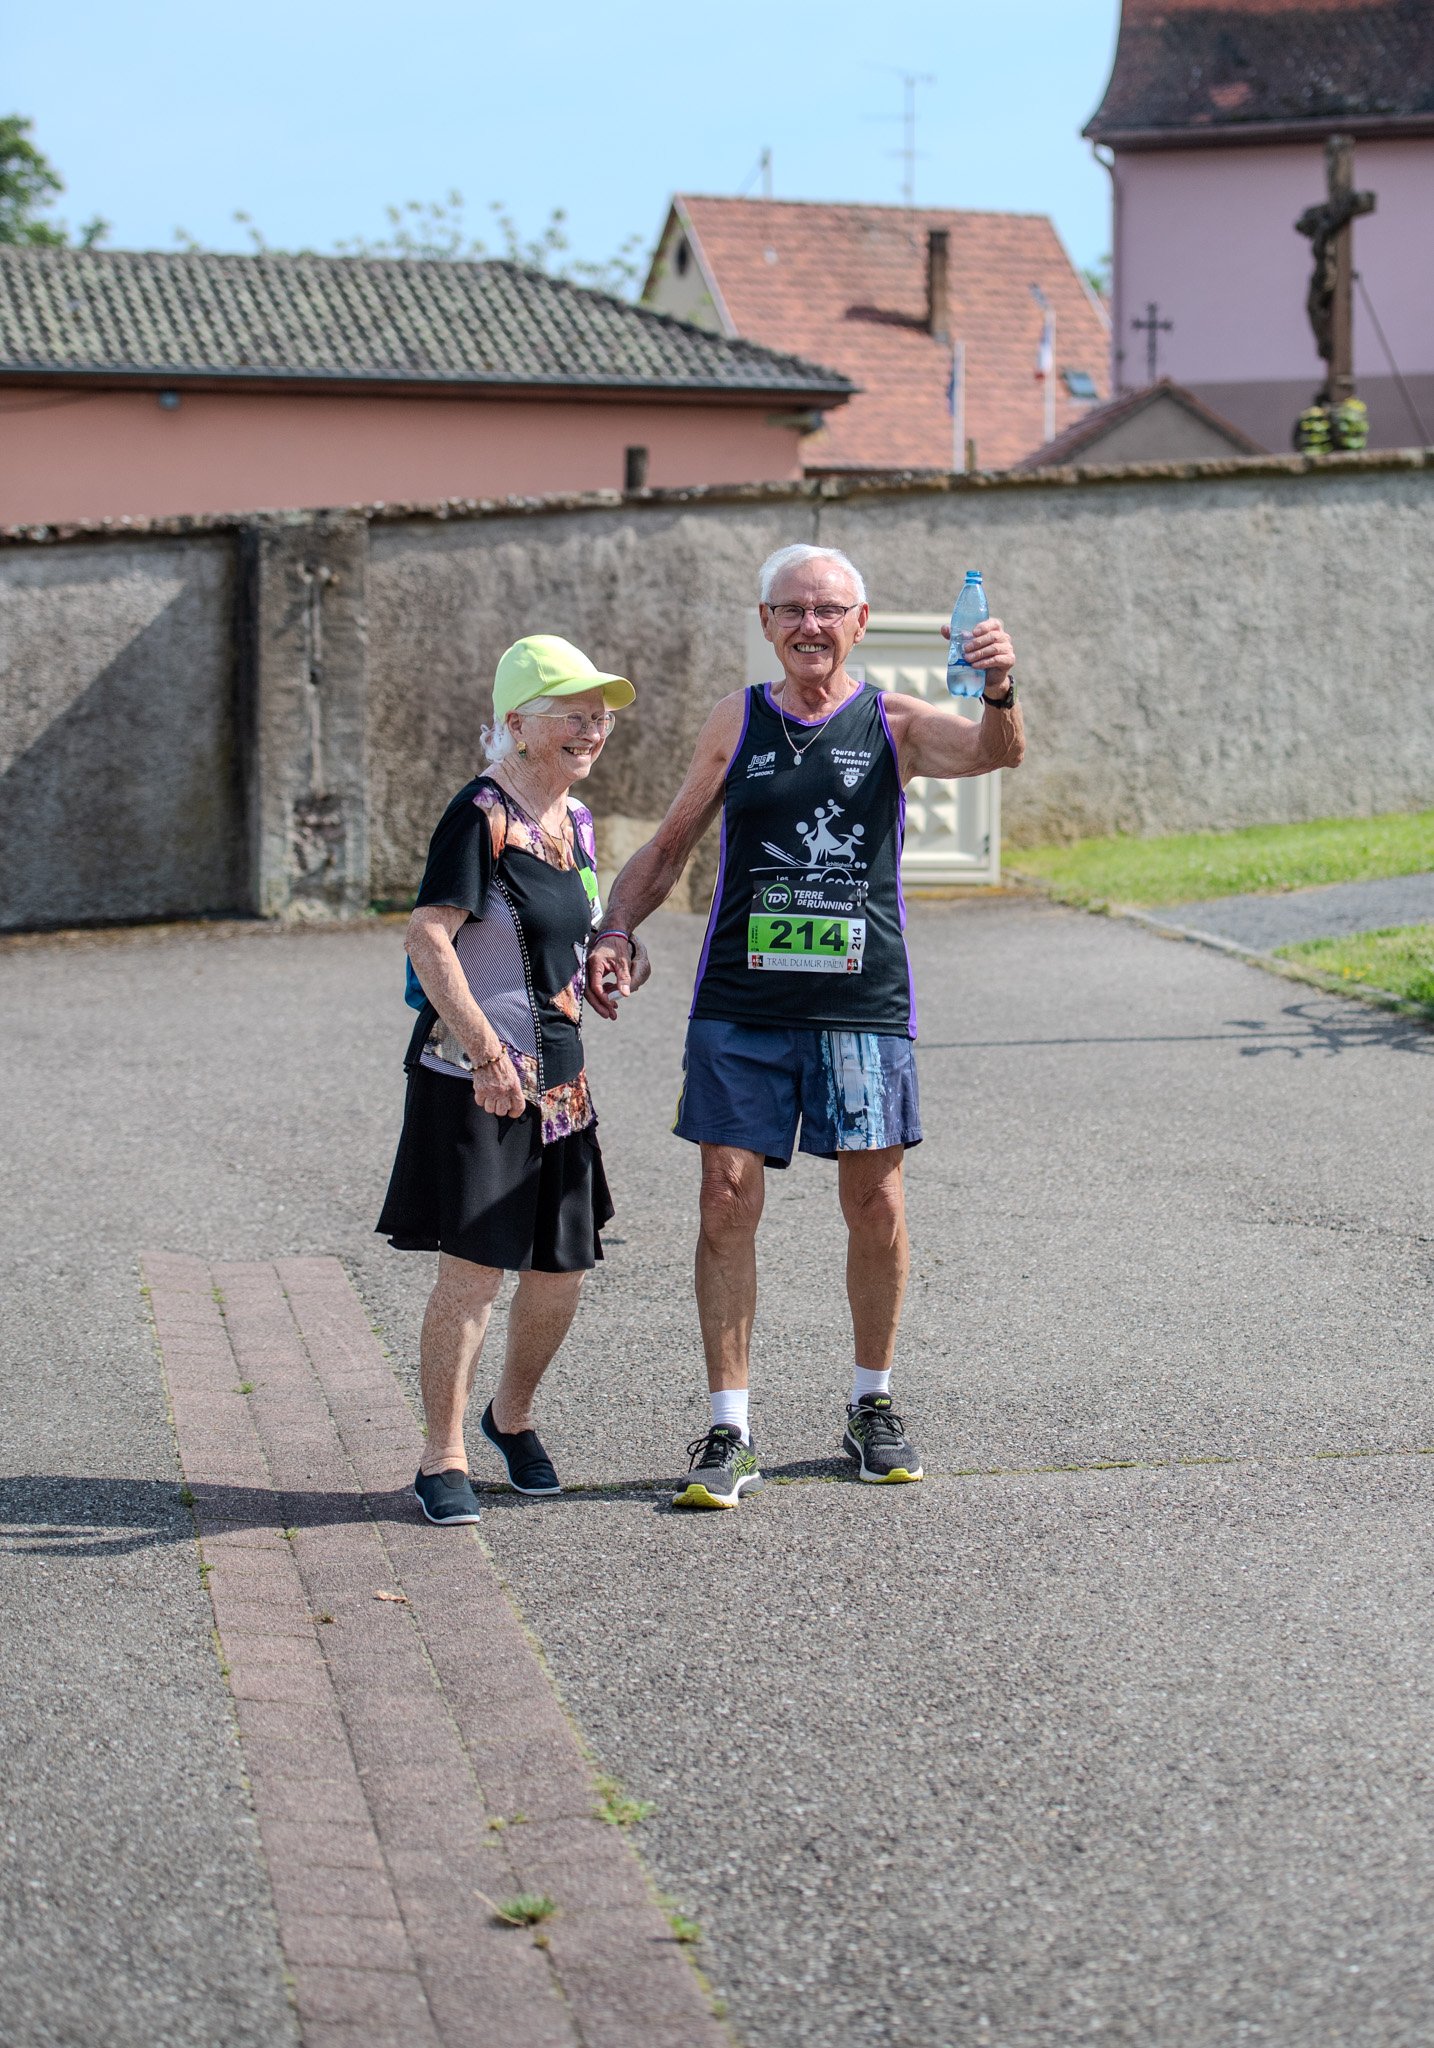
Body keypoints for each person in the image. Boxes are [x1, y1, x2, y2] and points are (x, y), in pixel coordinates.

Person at [586, 545, 1022, 1508]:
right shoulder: (737, 719)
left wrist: (999, 687)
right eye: (793, 610)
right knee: (724, 1200)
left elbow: (997, 754)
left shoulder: (894, 723)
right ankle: (728, 1427)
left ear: (860, 623)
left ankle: (873, 1402)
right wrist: (616, 925)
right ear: (767, 621)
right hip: (742, 1003)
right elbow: (670, 844)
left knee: (877, 1207)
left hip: (862, 1006)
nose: (811, 626)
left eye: (830, 610)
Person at [377, 634, 647, 1524]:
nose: (591, 726)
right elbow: (428, 935)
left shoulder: (576, 822)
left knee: (562, 1267)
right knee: (475, 1272)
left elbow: (577, 930)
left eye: (599, 713)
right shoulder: (481, 812)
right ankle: (441, 1454)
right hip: (476, 1075)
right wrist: (491, 1056)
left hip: (563, 1079)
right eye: (572, 711)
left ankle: (511, 1416)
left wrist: (613, 958)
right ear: (520, 725)